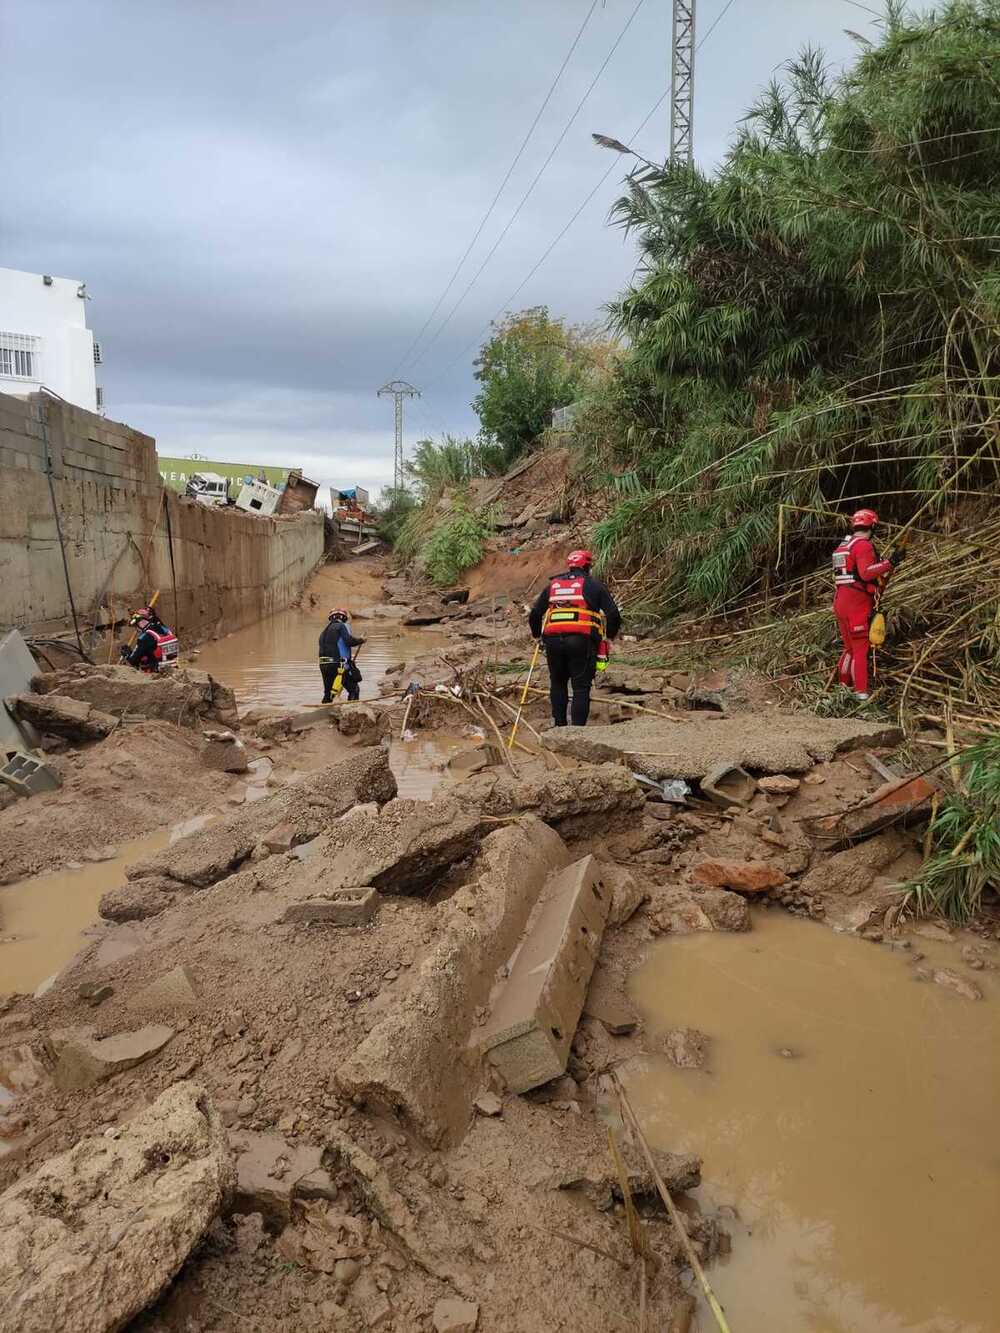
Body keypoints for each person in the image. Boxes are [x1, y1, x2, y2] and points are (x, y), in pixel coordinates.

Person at [528, 549, 621, 727]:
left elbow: (534, 615)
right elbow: (613, 614)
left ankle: (560, 725)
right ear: (588, 566)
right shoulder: (594, 585)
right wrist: (610, 637)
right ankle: (578, 730)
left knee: (558, 683)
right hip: (581, 640)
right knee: (580, 686)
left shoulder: (553, 585)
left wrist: (536, 636)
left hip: (553, 640)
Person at [832, 508, 899, 701]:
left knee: (849, 649)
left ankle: (842, 688)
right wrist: (890, 562)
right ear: (873, 525)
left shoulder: (842, 546)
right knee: (860, 650)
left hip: (840, 602)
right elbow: (866, 573)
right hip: (856, 604)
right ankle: (860, 693)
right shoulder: (863, 546)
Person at [318, 608, 365, 703]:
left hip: (323, 665)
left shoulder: (323, 632)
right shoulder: (341, 626)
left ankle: (325, 711)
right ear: (344, 618)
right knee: (354, 689)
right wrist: (361, 640)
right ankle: (352, 710)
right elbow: (349, 641)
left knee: (329, 693)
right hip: (338, 665)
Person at [123, 606, 179, 672]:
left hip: (158, 671)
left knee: (139, 659)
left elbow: (133, 661)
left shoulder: (144, 638)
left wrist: (127, 654)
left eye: (136, 625)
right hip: (173, 666)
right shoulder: (164, 629)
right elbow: (156, 620)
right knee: (146, 652)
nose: (136, 628)